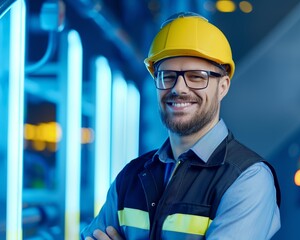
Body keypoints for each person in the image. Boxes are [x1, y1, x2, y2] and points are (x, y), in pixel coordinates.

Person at [81, 12, 281, 240]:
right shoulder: (130, 177)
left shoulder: (248, 179)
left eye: (196, 77)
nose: (179, 88)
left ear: (223, 86)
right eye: (167, 76)